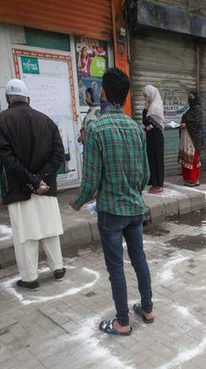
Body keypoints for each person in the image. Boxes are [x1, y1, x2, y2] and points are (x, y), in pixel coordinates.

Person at [70, 68, 153, 336]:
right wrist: (133, 190)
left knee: (116, 267)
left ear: (103, 93)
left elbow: (91, 180)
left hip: (111, 212)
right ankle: (148, 309)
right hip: (134, 209)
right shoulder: (137, 129)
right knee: (139, 259)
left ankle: (123, 322)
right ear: (127, 98)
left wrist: (78, 201)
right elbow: (146, 175)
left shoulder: (95, 129)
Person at [0, 79, 66, 290]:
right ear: (28, 99)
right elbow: (58, 154)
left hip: (19, 189)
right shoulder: (46, 121)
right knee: (49, 229)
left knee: (25, 235)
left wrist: (30, 178)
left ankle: (30, 278)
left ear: (8, 99)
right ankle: (58, 268)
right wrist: (40, 177)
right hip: (45, 188)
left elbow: (6, 157)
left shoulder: (1, 121)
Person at [142, 84, 165, 193]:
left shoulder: (155, 107)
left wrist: (145, 109)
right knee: (151, 158)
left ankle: (159, 184)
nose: (145, 99)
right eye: (144, 97)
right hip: (151, 137)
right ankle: (154, 182)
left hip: (157, 137)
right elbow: (147, 124)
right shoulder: (151, 107)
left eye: (146, 96)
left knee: (158, 159)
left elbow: (148, 123)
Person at [179, 91, 203, 187]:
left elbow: (197, 123)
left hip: (193, 139)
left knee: (192, 159)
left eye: (192, 96)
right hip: (186, 138)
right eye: (189, 97)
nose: (190, 98)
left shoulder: (198, 110)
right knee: (186, 158)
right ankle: (187, 178)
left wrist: (186, 124)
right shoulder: (190, 110)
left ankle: (193, 179)